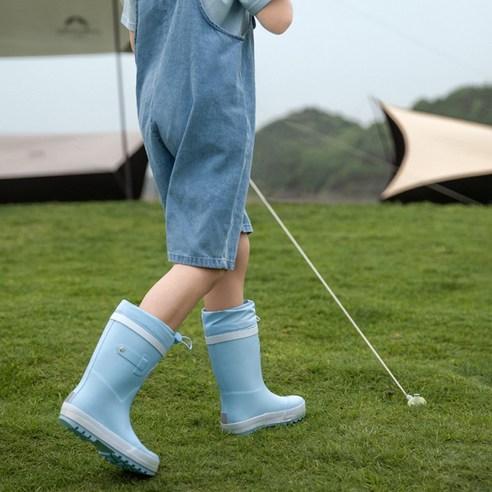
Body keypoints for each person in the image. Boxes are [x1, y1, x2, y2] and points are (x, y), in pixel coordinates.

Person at [59, 0, 305, 477]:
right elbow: (279, 19)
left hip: (158, 104)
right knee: (206, 255)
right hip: (211, 107)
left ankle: (245, 397)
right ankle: (100, 396)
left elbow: (136, 39)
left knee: (230, 241)